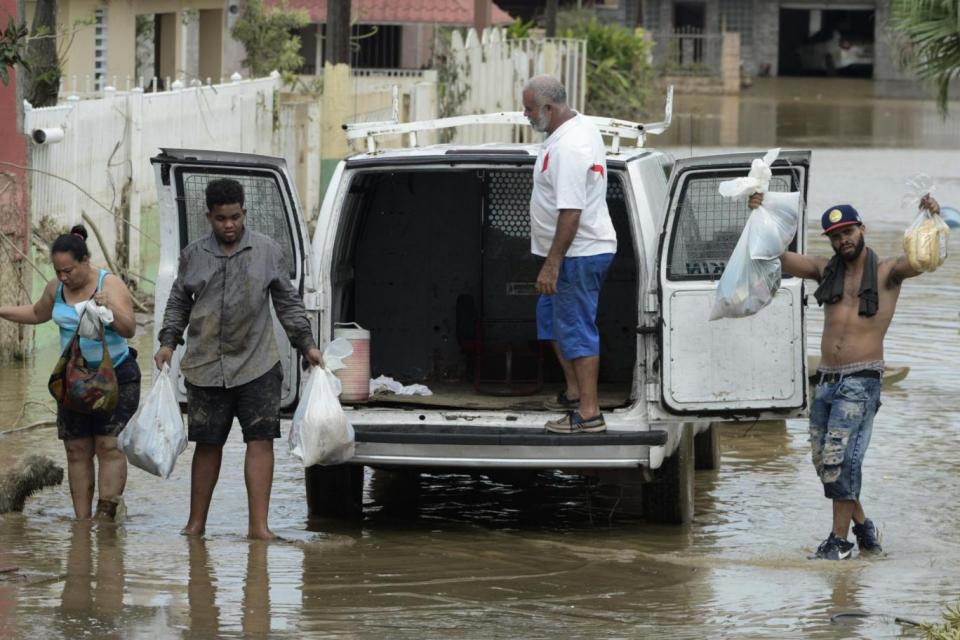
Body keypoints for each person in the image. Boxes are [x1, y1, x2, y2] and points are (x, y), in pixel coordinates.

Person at [748, 193, 942, 559]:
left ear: (862, 229)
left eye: (848, 232)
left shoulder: (888, 272)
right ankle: (865, 530)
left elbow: (925, 260)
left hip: (861, 379)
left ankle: (839, 542)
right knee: (824, 462)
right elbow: (775, 254)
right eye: (836, 236)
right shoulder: (825, 269)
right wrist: (763, 212)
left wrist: (932, 219)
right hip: (825, 381)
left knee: (840, 460)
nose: (843, 240)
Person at [154, 178, 323, 540]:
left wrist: (306, 345)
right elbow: (178, 303)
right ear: (209, 217)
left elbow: (287, 303)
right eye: (220, 219)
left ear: (244, 213)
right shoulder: (193, 255)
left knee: (260, 441)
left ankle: (258, 528)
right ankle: (195, 524)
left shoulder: (267, 251)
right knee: (208, 443)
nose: (228, 225)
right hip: (204, 366)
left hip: (257, 363)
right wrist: (168, 342)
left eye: (234, 217)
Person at [0, 225, 140, 521]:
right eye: (58, 271)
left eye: (69, 271)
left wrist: (110, 307)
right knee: (77, 449)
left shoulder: (109, 284)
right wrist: (3, 310)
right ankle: (81, 523)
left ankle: (106, 518)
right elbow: (38, 314)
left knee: (108, 445)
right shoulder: (56, 289)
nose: (64, 277)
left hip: (115, 376)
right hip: (73, 380)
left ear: (85, 261)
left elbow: (129, 328)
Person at [521, 75, 618, 434]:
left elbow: (571, 212)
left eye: (530, 108)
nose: (525, 114)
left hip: (577, 254)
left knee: (576, 329)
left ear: (550, 108)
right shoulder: (568, 132)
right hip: (569, 253)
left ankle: (589, 415)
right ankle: (575, 393)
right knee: (552, 321)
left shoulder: (569, 147)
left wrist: (552, 263)